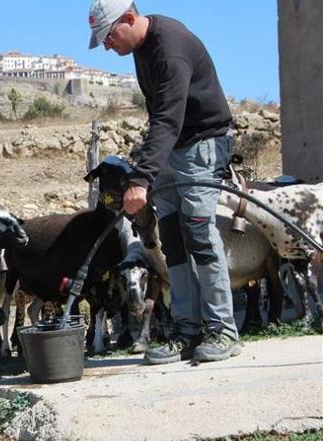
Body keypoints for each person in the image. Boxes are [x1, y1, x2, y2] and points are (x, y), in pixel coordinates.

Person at [87, 0, 240, 364]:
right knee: (172, 239)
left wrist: (141, 179)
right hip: (173, 148)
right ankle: (187, 331)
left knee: (199, 234)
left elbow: (170, 118)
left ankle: (223, 330)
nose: (107, 46)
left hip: (203, 144)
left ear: (128, 18)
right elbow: (159, 118)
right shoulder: (141, 50)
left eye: (108, 36)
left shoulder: (170, 47)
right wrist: (148, 167)